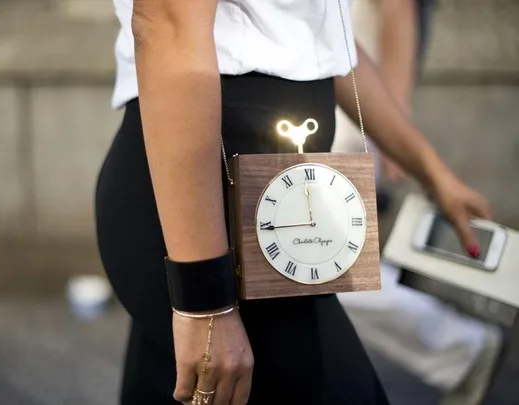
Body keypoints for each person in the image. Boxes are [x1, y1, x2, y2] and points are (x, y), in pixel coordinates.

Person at [94, 0, 491, 404]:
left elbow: (327, 45)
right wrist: (205, 302)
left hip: (247, 197)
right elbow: (167, 22)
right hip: (203, 213)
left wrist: (432, 171)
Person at [333, 1, 503, 404]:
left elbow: (397, 11)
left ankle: (459, 347)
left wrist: (397, 127)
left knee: (322, 262)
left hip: (346, 108)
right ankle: (459, 349)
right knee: (311, 264)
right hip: (333, 96)